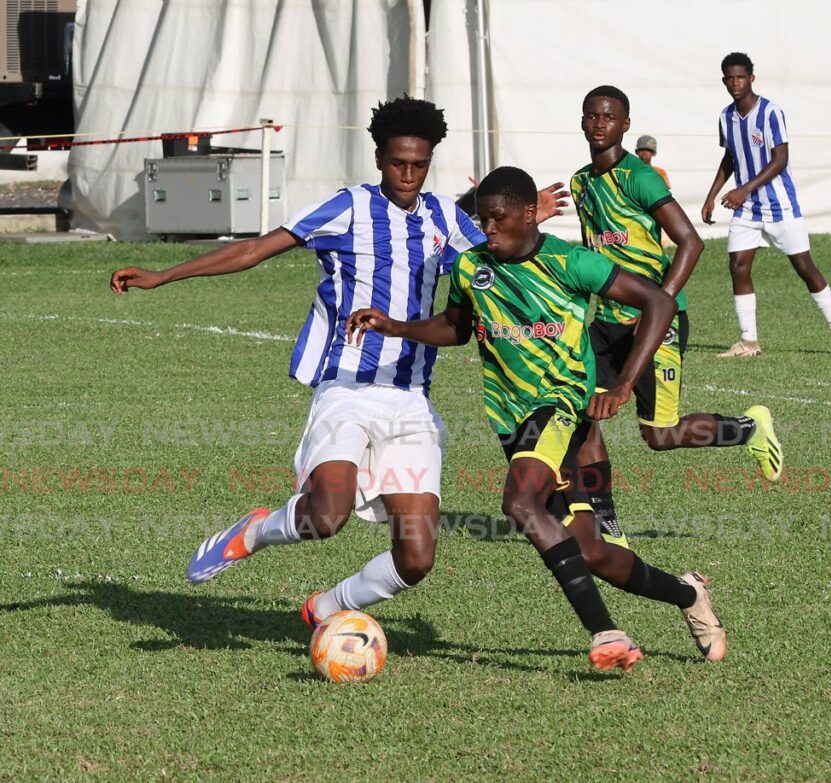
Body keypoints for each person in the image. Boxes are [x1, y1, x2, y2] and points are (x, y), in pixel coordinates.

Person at [108, 96, 569, 629]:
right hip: (346, 388)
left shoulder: (446, 217)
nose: (408, 174)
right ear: (379, 158)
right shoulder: (348, 207)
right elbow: (255, 250)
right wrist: (165, 274)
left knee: (416, 559)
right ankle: (253, 531)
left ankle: (325, 609)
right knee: (327, 516)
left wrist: (526, 218)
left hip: (411, 401)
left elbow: (507, 255)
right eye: (399, 163)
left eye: (419, 165)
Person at [348, 166, 727, 669]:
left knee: (520, 502)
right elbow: (456, 327)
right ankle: (687, 594)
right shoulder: (471, 269)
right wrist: (395, 325)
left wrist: (624, 383)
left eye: (499, 219)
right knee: (594, 554)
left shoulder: (572, 263)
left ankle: (605, 632)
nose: (488, 230)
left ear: (529, 214)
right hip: (512, 421)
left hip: (559, 407)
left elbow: (658, 301)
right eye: (482, 220)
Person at [570, 85, 782, 550]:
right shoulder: (581, 183)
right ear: (583, 121)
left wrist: (658, 305)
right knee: (587, 415)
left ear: (625, 125)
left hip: (656, 322)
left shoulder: (639, 177)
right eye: (592, 115)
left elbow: (691, 242)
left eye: (609, 116)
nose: (599, 123)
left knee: (660, 436)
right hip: (605, 322)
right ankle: (606, 524)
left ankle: (748, 429)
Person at [702, 52, 831, 358]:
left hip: (780, 207)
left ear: (752, 78)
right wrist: (713, 195)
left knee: (804, 268)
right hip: (748, 209)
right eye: (729, 78)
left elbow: (780, 160)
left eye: (740, 77)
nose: (735, 83)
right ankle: (749, 342)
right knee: (738, 265)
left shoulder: (771, 112)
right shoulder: (726, 116)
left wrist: (742, 189)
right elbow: (730, 157)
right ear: (724, 81)